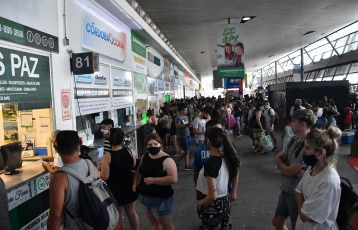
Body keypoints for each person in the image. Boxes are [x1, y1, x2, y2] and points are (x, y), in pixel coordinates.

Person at [273, 109, 317, 230]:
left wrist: (284, 165)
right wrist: (283, 163)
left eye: (293, 121)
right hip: (286, 188)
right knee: (277, 221)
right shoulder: (293, 139)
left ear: (303, 125)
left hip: (298, 192)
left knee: (295, 225)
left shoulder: (308, 145)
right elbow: (281, 158)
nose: (291, 123)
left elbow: (287, 171)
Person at [295, 127, 342, 230]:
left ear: (320, 153)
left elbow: (305, 217)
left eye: (307, 148)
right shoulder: (313, 167)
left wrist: (300, 202)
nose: (303, 152)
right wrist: (303, 204)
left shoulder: (328, 181)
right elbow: (298, 192)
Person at [196, 127, 240, 229]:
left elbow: (212, 196)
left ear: (208, 141)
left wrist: (200, 204)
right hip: (225, 200)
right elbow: (236, 172)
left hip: (212, 204)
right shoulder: (227, 158)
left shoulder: (211, 164)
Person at [47, 130, 92, 229]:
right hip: (96, 222)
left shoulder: (59, 179)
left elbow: (55, 217)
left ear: (57, 149)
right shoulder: (90, 165)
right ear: (79, 147)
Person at [133, 134, 177, 230]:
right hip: (145, 198)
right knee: (153, 223)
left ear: (160, 144)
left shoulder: (167, 160)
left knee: (166, 225)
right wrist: (135, 183)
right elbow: (138, 170)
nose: (153, 147)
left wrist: (153, 180)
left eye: (155, 144)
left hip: (160, 200)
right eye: (150, 145)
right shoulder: (145, 156)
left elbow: (173, 179)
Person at [191, 119, 239, 202]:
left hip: (225, 191)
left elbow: (235, 169)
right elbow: (196, 171)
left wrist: (233, 191)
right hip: (205, 192)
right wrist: (197, 190)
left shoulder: (229, 148)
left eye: (219, 131)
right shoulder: (199, 151)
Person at [100, 128, 139, 230]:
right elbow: (134, 165)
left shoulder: (107, 157)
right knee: (131, 212)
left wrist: (96, 171)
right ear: (122, 140)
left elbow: (104, 176)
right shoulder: (128, 151)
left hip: (116, 189)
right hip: (130, 185)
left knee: (119, 216)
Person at [175, 104, 192, 170]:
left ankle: (186, 165)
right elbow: (178, 126)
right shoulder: (178, 117)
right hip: (182, 136)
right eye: (185, 110)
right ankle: (176, 161)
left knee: (187, 151)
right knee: (186, 151)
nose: (186, 112)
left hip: (188, 134)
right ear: (181, 110)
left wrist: (188, 125)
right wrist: (186, 125)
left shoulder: (186, 117)